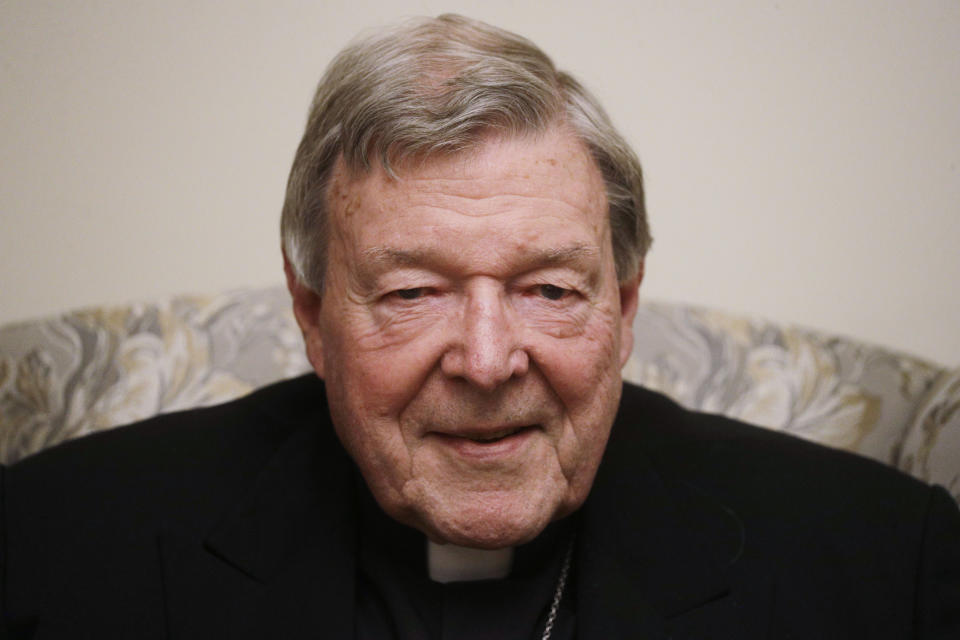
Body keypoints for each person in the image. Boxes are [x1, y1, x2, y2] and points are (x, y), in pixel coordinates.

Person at [1, 14, 958, 640]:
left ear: (623, 309)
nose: (491, 361)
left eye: (550, 289)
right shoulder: (47, 548)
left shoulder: (885, 566)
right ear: (310, 314)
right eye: (413, 293)